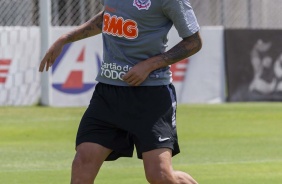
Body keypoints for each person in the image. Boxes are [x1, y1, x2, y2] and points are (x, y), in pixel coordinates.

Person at [39, 0, 202, 183]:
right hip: (108, 95)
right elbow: (107, 16)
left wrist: (150, 65)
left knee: (160, 176)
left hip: (151, 96)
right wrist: (65, 38)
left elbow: (194, 41)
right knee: (82, 163)